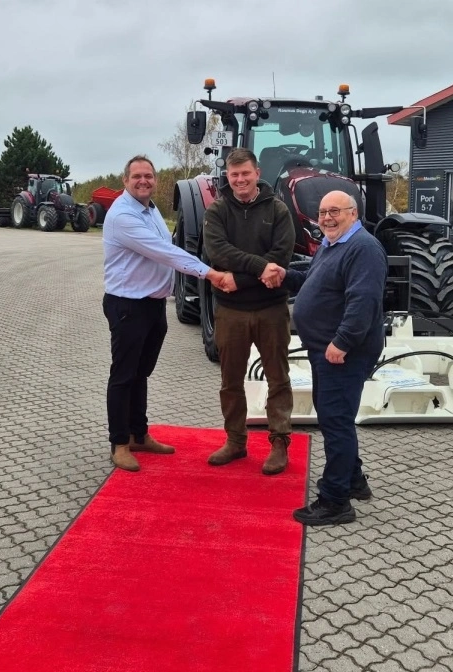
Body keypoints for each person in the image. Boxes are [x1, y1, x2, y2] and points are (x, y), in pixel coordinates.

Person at [260, 190, 387, 525]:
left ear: (353, 213)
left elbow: (364, 301)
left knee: (335, 421)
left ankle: (335, 501)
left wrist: (342, 342)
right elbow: (313, 282)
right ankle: (354, 480)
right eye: (322, 213)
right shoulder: (333, 245)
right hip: (326, 350)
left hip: (343, 353)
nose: (327, 218)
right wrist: (286, 275)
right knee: (336, 416)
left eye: (335, 211)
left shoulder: (363, 248)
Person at [103, 154, 235, 472]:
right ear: (125, 180)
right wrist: (209, 273)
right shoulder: (123, 215)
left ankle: (139, 434)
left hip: (153, 305)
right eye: (137, 176)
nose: (143, 181)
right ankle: (119, 443)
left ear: (155, 180)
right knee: (123, 376)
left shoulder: (151, 210)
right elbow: (165, 252)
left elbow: (168, 247)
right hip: (128, 306)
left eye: (148, 176)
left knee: (141, 374)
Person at [201, 148, 296, 475]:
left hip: (271, 309)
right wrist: (259, 268)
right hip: (231, 312)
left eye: (245, 173)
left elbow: (281, 258)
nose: (240, 180)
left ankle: (280, 442)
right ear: (228, 177)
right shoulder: (217, 211)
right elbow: (218, 252)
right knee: (230, 381)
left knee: (278, 378)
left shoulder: (278, 209)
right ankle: (235, 441)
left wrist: (239, 280)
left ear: (257, 174)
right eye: (234, 175)